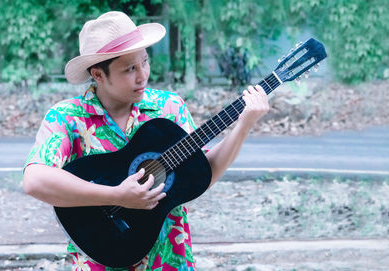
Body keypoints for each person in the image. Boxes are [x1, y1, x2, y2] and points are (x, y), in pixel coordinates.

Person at [23, 11, 269, 271]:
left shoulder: (169, 108)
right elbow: (35, 180)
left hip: (168, 260)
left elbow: (203, 173)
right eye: (129, 69)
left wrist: (244, 124)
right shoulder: (68, 118)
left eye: (145, 62)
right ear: (98, 75)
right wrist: (117, 195)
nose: (143, 75)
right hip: (98, 260)